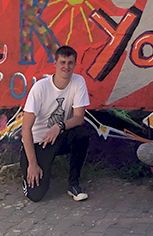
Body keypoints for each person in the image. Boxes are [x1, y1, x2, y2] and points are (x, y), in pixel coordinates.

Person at [20, 45, 91, 202]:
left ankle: (74, 185)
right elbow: (25, 129)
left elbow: (79, 118)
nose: (66, 67)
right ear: (55, 63)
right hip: (38, 142)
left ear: (75, 64)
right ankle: (29, 169)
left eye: (70, 63)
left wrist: (59, 127)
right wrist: (32, 163)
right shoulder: (40, 88)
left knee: (81, 135)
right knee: (36, 196)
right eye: (63, 62)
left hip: (59, 137)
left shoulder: (78, 82)